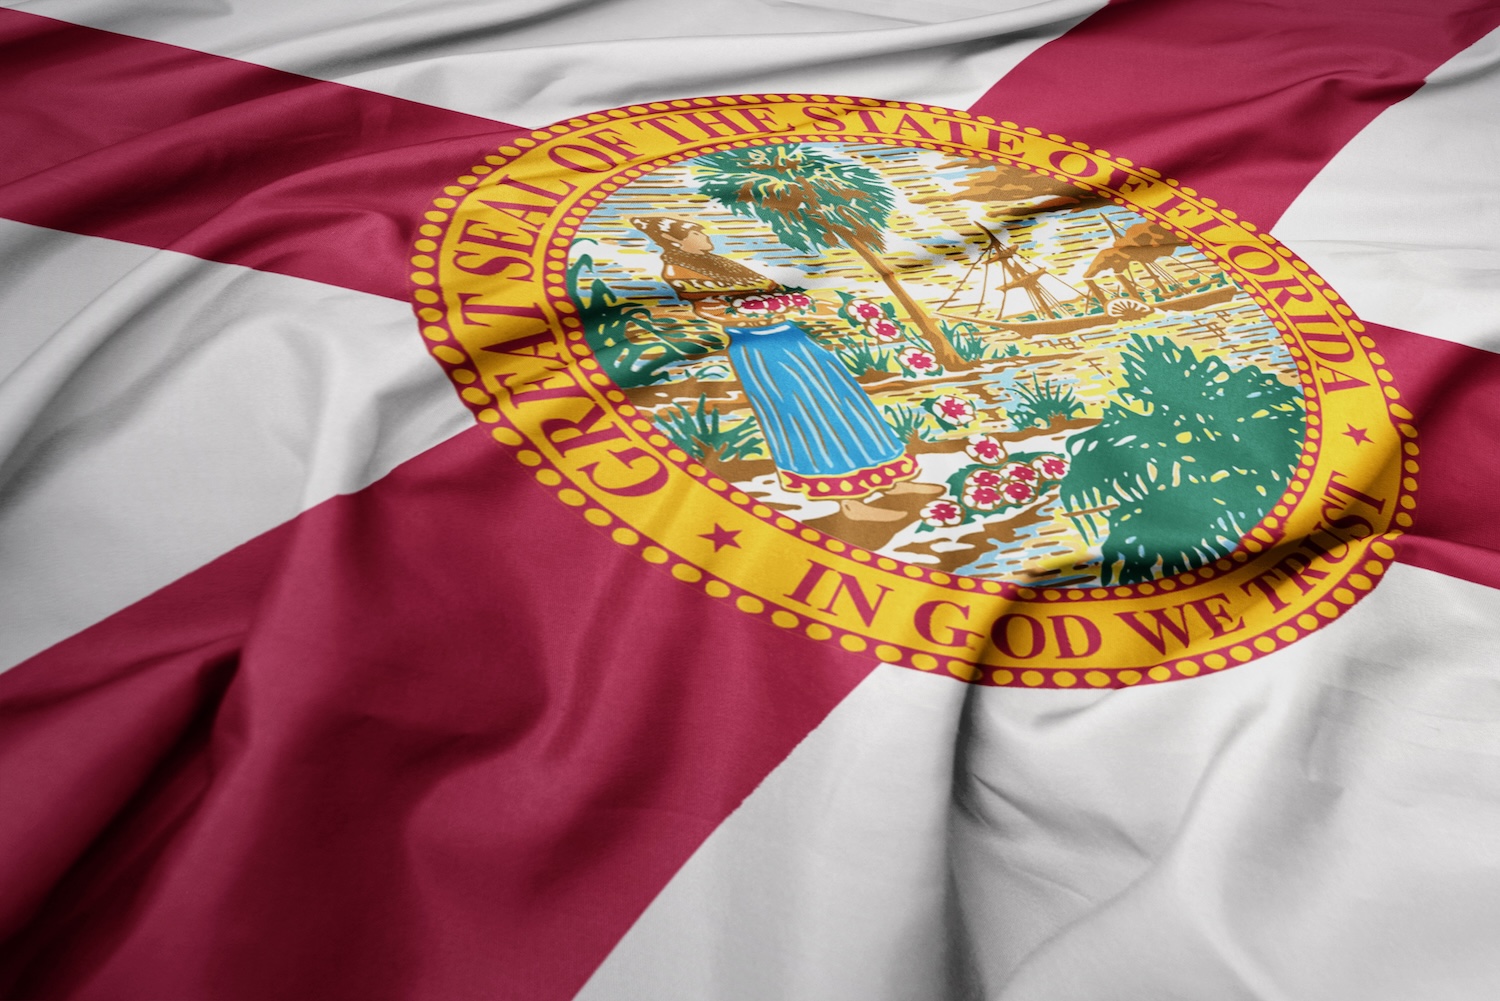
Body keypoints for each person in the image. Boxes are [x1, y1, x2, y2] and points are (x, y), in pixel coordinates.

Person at [631, 216, 941, 522]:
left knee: (845, 404)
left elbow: (772, 291)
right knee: (806, 415)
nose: (705, 237)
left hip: (793, 338)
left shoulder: (721, 263)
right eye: (696, 233)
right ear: (677, 241)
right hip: (760, 347)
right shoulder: (680, 269)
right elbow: (713, 308)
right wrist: (772, 307)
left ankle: (893, 479)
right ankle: (848, 500)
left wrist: (795, 305)